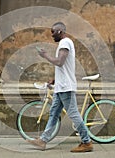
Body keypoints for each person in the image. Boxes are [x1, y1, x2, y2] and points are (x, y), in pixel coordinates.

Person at [27, 22, 93, 152]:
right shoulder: (65, 43)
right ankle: (43, 140)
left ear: (60, 31)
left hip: (65, 87)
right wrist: (55, 79)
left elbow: (60, 62)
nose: (52, 35)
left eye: (53, 32)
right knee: (54, 113)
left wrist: (45, 55)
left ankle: (87, 142)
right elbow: (65, 66)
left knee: (73, 114)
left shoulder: (65, 43)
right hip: (60, 86)